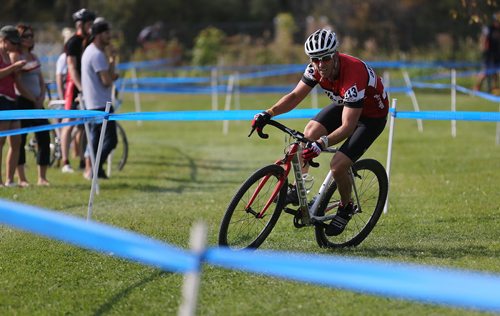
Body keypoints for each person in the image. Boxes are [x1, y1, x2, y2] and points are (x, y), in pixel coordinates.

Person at [251, 29, 388, 236]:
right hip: (347, 104)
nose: (320, 64)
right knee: (309, 132)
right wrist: (268, 113)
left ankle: (346, 206)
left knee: (337, 165)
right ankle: (298, 189)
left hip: (371, 117)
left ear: (335, 55)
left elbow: (348, 127)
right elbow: (295, 96)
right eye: (315, 59)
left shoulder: (352, 74)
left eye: (325, 58)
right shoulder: (315, 69)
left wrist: (322, 144)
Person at [9, 24, 51, 187]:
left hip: (37, 102)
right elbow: (18, 83)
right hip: (22, 101)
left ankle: (42, 177)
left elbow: (40, 79)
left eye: (31, 35)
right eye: (26, 36)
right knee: (20, 140)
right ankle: (22, 178)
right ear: (19, 38)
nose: (30, 38)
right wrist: (31, 98)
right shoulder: (15, 56)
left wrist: (41, 96)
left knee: (44, 136)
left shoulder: (34, 57)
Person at [81, 19, 118, 179]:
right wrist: (113, 74)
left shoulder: (91, 51)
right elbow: (106, 81)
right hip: (101, 104)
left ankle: (97, 170)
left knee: (97, 140)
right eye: (106, 33)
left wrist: (112, 62)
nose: (109, 36)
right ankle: (93, 170)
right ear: (98, 35)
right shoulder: (96, 54)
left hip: (94, 103)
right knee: (111, 140)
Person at [60, 8, 95, 173]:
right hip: (74, 88)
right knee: (69, 124)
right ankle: (65, 160)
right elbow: (72, 68)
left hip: (88, 87)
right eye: (89, 23)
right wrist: (81, 89)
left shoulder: (91, 41)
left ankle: (82, 158)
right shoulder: (73, 42)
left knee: (83, 126)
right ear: (81, 24)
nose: (91, 26)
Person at [0, 26, 25, 187]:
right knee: (0, 142)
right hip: (1, 99)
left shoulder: (10, 56)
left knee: (16, 140)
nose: (15, 46)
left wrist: (18, 70)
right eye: (13, 42)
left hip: (12, 99)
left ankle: (9, 179)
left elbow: (13, 78)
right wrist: (14, 68)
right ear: (3, 40)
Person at [474, 12, 500, 92]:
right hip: (489, 55)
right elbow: (484, 40)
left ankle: (494, 88)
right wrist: (484, 49)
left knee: (496, 73)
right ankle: (476, 88)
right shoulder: (489, 29)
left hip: (498, 55)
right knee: (485, 72)